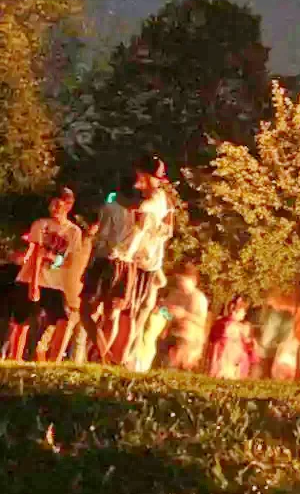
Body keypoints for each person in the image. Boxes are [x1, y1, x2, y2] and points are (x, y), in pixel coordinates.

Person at [4, 188, 84, 362]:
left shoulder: (74, 232)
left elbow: (69, 261)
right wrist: (33, 285)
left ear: (68, 206)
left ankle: (54, 361)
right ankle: (15, 359)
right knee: (22, 321)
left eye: (57, 204)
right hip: (30, 279)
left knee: (64, 319)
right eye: (51, 204)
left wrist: (54, 259)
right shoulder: (41, 225)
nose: (53, 208)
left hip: (55, 283)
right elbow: (35, 255)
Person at [78, 176, 138, 364]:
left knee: (86, 310)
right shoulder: (139, 212)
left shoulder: (110, 209)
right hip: (127, 264)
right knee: (112, 314)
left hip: (106, 261)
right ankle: (104, 357)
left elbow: (102, 238)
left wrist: (88, 265)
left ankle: (104, 354)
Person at [122, 155, 175, 368]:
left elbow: (137, 234)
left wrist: (126, 255)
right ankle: (132, 359)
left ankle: (126, 358)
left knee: (132, 312)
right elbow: (169, 230)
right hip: (152, 264)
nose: (138, 178)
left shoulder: (148, 205)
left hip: (140, 263)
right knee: (140, 314)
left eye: (141, 175)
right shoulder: (165, 201)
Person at [152, 263, 210, 371]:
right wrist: (162, 309)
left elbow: (201, 322)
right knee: (162, 363)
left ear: (193, 281)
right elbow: (168, 316)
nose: (180, 283)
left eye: (183, 280)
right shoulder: (174, 294)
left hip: (188, 339)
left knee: (174, 364)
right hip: (172, 334)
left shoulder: (198, 298)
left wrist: (184, 314)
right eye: (179, 279)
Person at [207, 295, 257, 379]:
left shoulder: (221, 322)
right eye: (243, 311)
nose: (244, 314)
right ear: (235, 311)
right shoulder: (236, 327)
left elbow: (212, 338)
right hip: (228, 361)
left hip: (224, 360)